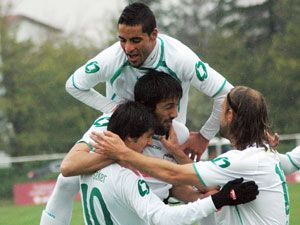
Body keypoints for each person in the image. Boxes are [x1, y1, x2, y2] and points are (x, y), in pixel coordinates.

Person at [91, 86, 290, 225]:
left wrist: (123, 152)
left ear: (230, 114)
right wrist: (177, 152)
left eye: (220, 109)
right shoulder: (260, 155)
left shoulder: (243, 160)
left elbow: (176, 176)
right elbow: (206, 186)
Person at [65, 2, 234, 160]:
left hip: (167, 138)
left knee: (173, 189)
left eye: (135, 40)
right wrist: (116, 110)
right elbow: (74, 85)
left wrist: (204, 137)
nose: (128, 48)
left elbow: (227, 94)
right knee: (67, 179)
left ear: (153, 35)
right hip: (121, 136)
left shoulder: (179, 58)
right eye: (122, 40)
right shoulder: (112, 58)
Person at [40, 71, 202, 225]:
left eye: (176, 106)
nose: (175, 114)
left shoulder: (178, 133)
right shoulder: (113, 122)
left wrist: (179, 154)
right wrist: (122, 151)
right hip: (125, 205)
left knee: (210, 201)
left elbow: (172, 184)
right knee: (66, 181)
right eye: (168, 107)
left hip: (153, 209)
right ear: (146, 106)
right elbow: (68, 167)